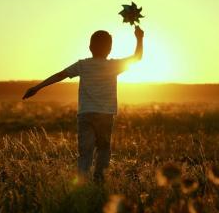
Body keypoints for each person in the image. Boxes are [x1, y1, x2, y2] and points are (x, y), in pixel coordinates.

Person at [23, 26, 144, 182]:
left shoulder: (82, 65)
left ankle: (81, 182)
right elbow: (137, 57)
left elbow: (61, 75)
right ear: (110, 48)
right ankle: (99, 179)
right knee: (104, 148)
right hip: (105, 115)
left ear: (90, 47)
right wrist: (139, 38)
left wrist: (37, 87)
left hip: (86, 114)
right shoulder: (114, 65)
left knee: (85, 152)